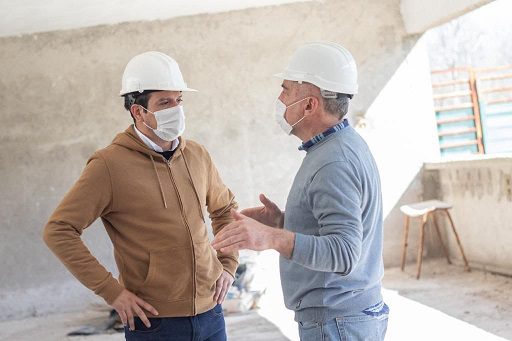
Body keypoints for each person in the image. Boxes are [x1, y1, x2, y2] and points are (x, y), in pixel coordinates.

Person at [43, 51, 238, 341]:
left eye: (178, 100)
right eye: (164, 102)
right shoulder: (108, 166)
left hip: (212, 313)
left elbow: (225, 209)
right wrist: (112, 292)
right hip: (155, 323)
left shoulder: (197, 155)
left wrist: (229, 264)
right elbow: (59, 230)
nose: (176, 109)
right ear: (138, 111)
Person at [212, 42, 388, 340]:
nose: (279, 98)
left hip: (336, 321)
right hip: (345, 316)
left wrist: (271, 237)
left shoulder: (333, 162)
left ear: (309, 105)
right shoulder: (339, 146)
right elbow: (336, 229)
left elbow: (344, 252)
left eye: (286, 89)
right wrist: (285, 222)